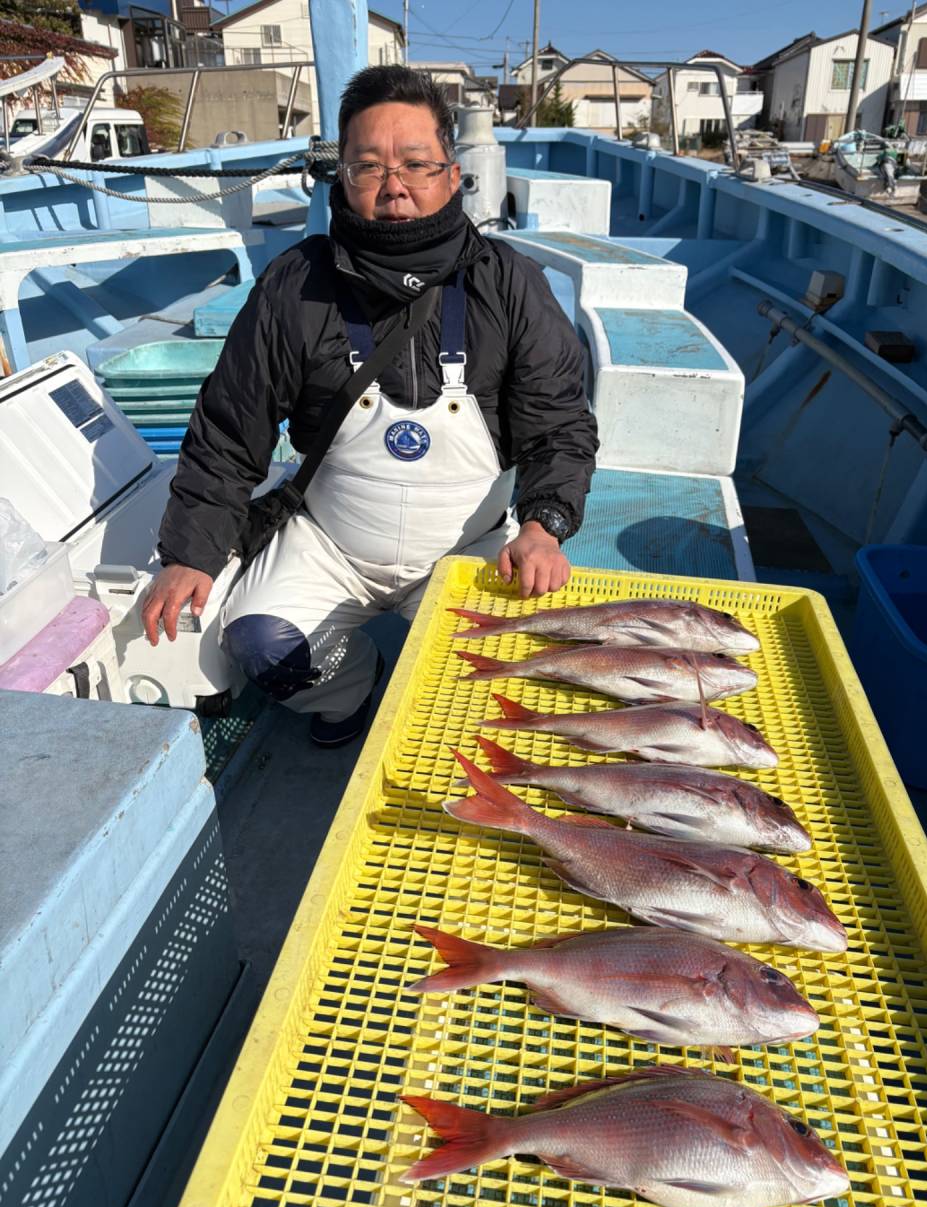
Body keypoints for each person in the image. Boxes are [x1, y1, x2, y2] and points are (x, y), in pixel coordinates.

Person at [142, 65, 599, 746]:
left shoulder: (508, 283)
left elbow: (559, 425)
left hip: (466, 546)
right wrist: (191, 553)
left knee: (501, 682)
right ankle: (350, 688)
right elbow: (231, 429)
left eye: (416, 164)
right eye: (368, 168)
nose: (394, 188)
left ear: (452, 174)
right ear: (341, 182)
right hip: (330, 542)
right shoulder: (294, 285)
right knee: (262, 646)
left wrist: (546, 523)